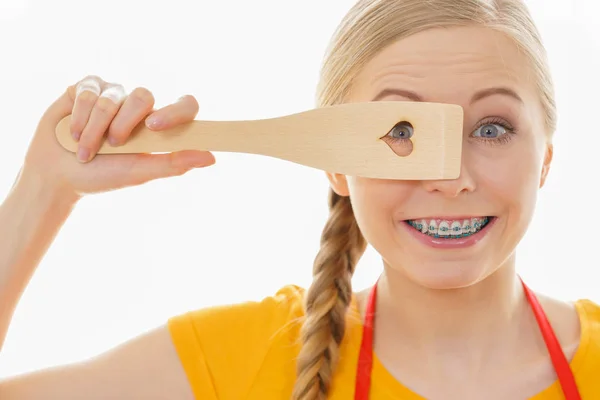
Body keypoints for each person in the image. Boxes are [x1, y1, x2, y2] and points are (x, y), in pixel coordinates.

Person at [0, 0, 598, 399]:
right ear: (336, 162)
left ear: (545, 159)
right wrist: (43, 191)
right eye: (401, 132)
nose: (449, 180)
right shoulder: (244, 358)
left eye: (491, 129)